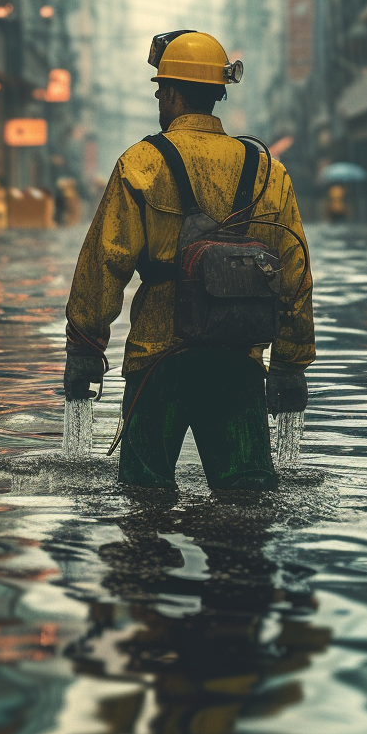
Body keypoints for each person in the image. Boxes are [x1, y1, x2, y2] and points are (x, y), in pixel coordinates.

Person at [64, 30, 314, 491]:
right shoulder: (268, 170)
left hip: (159, 358)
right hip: (239, 359)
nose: (160, 99)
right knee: (248, 500)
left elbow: (105, 263)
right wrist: (290, 364)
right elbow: (294, 273)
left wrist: (84, 347)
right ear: (219, 94)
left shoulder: (141, 163)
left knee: (142, 498)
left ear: (175, 94)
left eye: (161, 90)